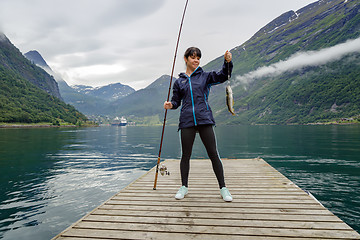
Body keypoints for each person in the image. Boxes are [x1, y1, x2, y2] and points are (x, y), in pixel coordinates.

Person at [164, 47, 233, 202]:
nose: (196, 60)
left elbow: (223, 75)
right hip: (187, 121)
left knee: (213, 154)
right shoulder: (179, 82)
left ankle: (223, 188)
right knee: (185, 156)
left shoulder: (206, 76)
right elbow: (176, 101)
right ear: (186, 59)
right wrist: (171, 105)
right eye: (193, 57)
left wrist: (227, 62)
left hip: (204, 119)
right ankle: (184, 187)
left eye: (198, 58)